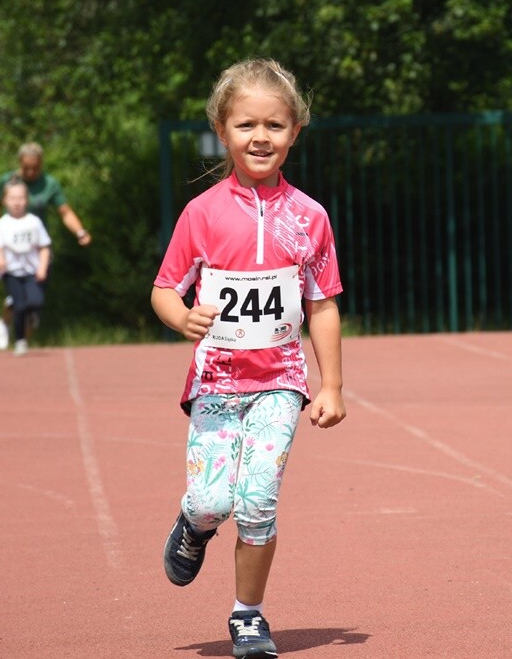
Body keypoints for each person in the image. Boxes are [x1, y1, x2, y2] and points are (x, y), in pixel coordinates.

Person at [150, 58, 346, 659]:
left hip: (281, 382)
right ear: (221, 128)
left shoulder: (309, 218)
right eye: (246, 125)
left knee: (258, 498)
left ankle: (248, 615)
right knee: (214, 499)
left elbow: (323, 304)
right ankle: (195, 523)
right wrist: (182, 316)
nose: (260, 137)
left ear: (295, 131)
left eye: (275, 125)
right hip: (215, 380)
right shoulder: (202, 214)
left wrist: (331, 385)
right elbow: (164, 288)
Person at [0, 142, 91, 349]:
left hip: (36, 248)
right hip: (11, 246)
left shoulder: (49, 184)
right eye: (26, 168)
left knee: (35, 301)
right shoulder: (8, 181)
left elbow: (65, 212)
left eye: (35, 168)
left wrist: (80, 231)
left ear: (41, 165)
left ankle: (22, 339)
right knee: (16, 297)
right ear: (20, 164)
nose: (31, 172)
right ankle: (6, 323)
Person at [0, 178, 51, 356]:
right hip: (11, 272)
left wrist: (42, 267)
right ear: (5, 201)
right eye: (12, 198)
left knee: (36, 302)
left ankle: (25, 312)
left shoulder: (34, 222)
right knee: (20, 307)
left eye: (20, 198)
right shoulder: (2, 224)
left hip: (31, 271)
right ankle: (19, 341)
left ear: (27, 200)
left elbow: (44, 247)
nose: (17, 202)